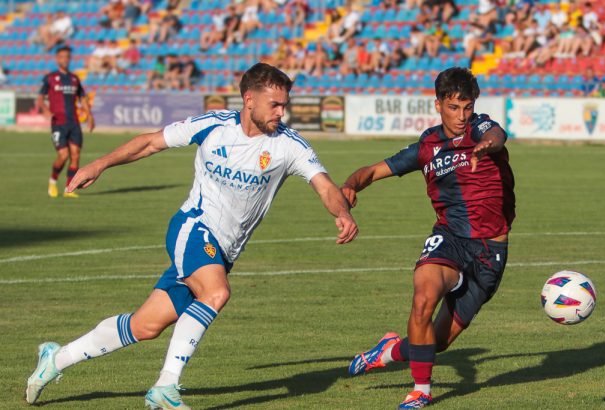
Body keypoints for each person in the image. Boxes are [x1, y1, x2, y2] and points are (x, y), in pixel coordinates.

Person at [25, 63, 358, 409]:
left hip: (222, 251)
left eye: (284, 104)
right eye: (274, 104)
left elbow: (323, 185)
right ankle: (165, 389)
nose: (281, 112)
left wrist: (342, 213)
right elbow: (150, 143)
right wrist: (98, 164)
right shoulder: (212, 125)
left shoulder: (289, 145)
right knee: (216, 292)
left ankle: (56, 359)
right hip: (193, 227)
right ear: (249, 99)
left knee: (145, 326)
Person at [342, 67, 515, 409]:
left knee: (436, 342)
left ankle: (388, 351)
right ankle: (421, 389)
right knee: (424, 295)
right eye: (454, 108)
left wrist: (485, 146)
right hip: (449, 238)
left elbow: (497, 134)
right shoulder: (427, 147)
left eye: (467, 107)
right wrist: (350, 185)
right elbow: (374, 171)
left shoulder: (481, 128)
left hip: (490, 251)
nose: (462, 116)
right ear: (437, 105)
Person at [36, 46, 95, 199]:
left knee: (75, 156)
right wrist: (45, 109)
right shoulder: (50, 78)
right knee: (63, 155)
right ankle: (52, 181)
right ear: (57, 59)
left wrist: (89, 115)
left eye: (67, 56)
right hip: (58, 123)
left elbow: (82, 98)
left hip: (74, 123)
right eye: (62, 56)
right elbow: (40, 98)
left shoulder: (75, 79)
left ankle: (69, 189)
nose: (65, 59)